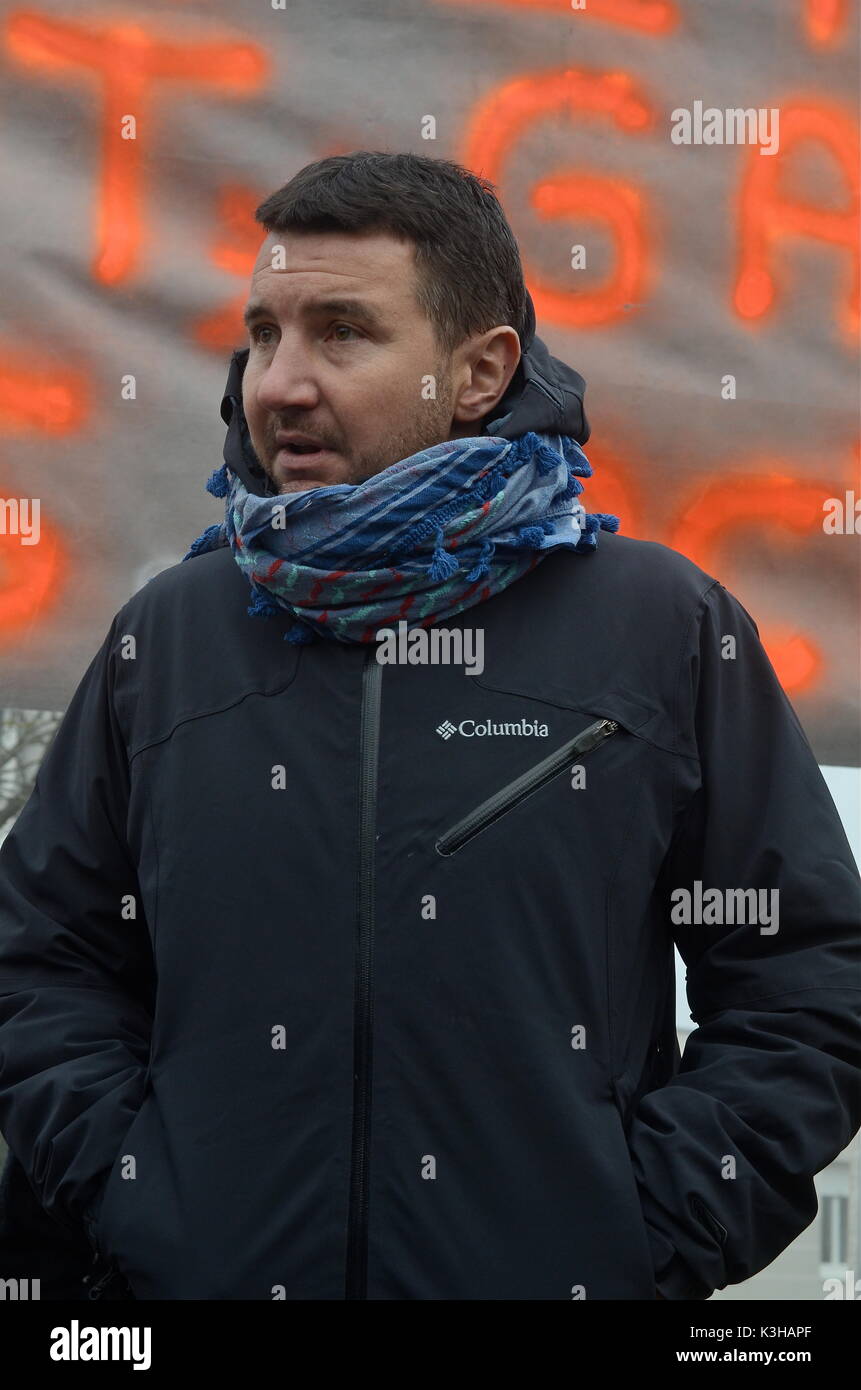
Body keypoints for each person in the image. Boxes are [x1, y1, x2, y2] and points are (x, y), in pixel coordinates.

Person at [0, 151, 859, 1302]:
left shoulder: (661, 627)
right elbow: (42, 963)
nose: (279, 384)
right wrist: (132, 1195)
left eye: (342, 332)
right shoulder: (171, 636)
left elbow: (808, 978)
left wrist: (641, 1230)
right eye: (264, 332)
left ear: (478, 369)